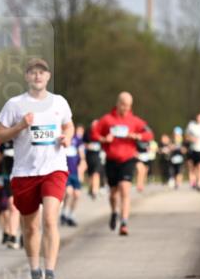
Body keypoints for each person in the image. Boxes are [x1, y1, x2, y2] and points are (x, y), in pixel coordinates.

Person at [0, 58, 74, 279]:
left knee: (50, 219)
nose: (38, 76)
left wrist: (67, 138)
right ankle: (35, 273)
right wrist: (20, 126)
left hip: (54, 169)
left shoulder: (59, 102)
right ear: (27, 77)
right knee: (30, 227)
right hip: (25, 172)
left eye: (42, 72)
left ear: (48, 77)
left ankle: (50, 273)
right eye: (33, 72)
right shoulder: (15, 104)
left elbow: (68, 126)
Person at [94, 92, 153, 236]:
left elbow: (149, 134)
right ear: (118, 103)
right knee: (114, 194)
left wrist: (137, 136)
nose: (126, 108)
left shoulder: (135, 121)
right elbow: (94, 133)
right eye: (124, 105)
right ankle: (114, 212)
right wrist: (103, 139)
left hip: (128, 159)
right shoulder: (107, 119)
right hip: (111, 160)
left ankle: (124, 222)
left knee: (125, 189)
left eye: (129, 106)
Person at [61, 124, 84, 226]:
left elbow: (81, 155)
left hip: (75, 171)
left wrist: (82, 165)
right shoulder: (60, 138)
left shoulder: (76, 140)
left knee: (77, 194)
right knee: (68, 192)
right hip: (65, 172)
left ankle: (71, 214)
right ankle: (64, 212)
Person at [83, 119, 103, 198]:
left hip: (98, 155)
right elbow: (83, 143)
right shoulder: (87, 133)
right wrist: (88, 146)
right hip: (89, 155)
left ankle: (95, 190)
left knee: (96, 173)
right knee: (91, 173)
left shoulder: (101, 132)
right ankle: (91, 188)